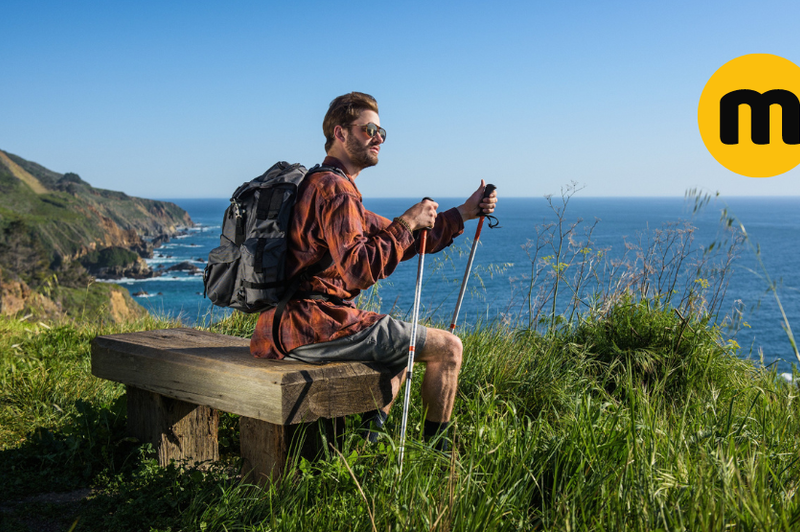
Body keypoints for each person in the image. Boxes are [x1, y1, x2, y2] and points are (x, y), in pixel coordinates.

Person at [250, 92, 498, 446]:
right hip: (315, 327)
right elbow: (358, 269)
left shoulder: (323, 184)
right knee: (448, 348)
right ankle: (437, 454)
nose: (378, 139)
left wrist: (463, 213)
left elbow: (400, 238)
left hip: (284, 326)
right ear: (340, 133)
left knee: (399, 346)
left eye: (382, 133)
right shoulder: (336, 191)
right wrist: (408, 222)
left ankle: (366, 443)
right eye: (369, 130)